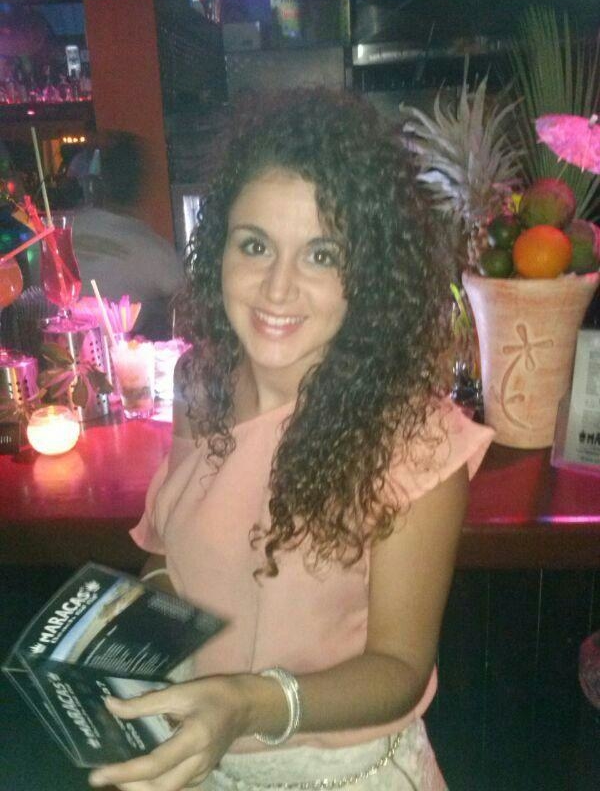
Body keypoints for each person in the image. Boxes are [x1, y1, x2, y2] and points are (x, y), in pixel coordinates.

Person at [88, 88, 494, 791]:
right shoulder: (201, 385)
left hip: (338, 773)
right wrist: (139, 637)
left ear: (368, 274)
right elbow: (169, 560)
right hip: (196, 752)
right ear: (219, 248)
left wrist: (248, 704)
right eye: (255, 246)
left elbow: (399, 670)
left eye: (321, 255)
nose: (277, 289)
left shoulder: (421, 445)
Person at [72, 130, 182, 340]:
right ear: (142, 185)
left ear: (102, 182)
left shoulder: (71, 226)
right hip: (116, 354)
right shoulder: (153, 250)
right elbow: (190, 302)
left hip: (56, 350)